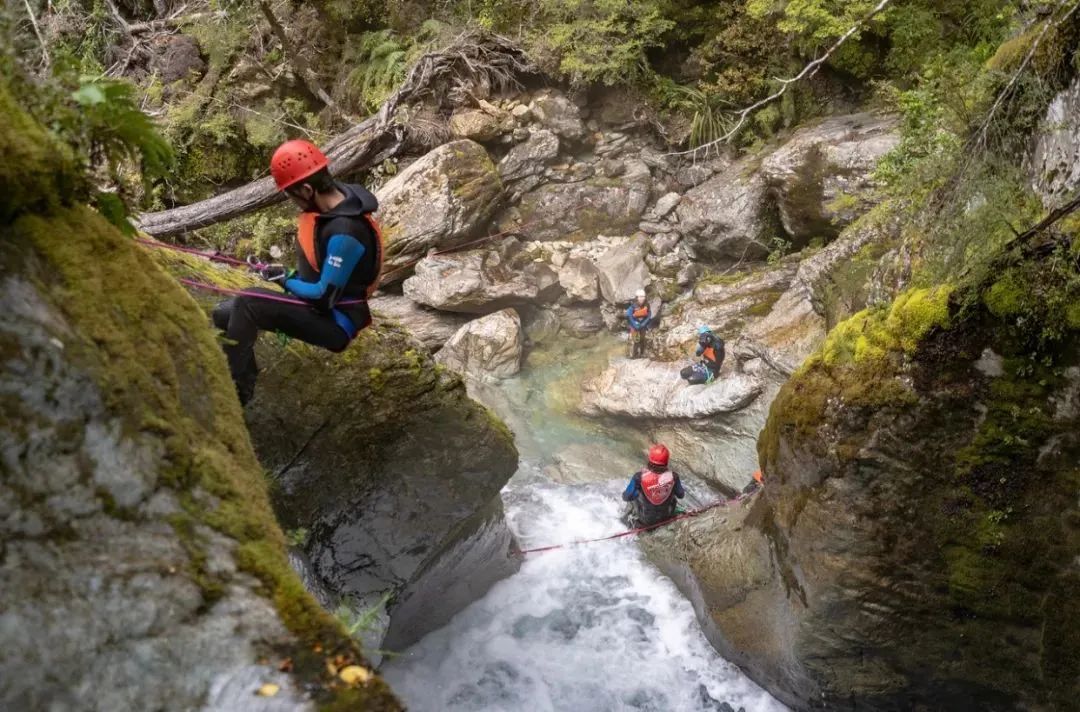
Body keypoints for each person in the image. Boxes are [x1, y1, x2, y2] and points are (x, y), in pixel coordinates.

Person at [212, 139, 383, 404]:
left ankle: (234, 394)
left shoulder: (346, 232)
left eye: (290, 196)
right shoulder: (334, 201)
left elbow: (324, 296)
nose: (291, 202)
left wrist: (286, 279)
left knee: (248, 302)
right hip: (316, 307)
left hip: (335, 323)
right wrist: (285, 275)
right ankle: (245, 371)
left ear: (306, 189)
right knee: (223, 313)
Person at [621, 444, 685, 527]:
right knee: (673, 495)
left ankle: (627, 520)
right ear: (666, 461)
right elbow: (681, 495)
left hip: (644, 520)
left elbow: (626, 497)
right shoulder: (674, 477)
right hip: (665, 518)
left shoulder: (639, 477)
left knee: (633, 496)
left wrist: (637, 493)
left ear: (650, 460)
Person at [625, 288, 652, 359]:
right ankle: (634, 355)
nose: (642, 299)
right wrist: (635, 325)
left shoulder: (647, 305)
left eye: (643, 297)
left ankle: (642, 353)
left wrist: (644, 324)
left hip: (642, 324)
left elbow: (649, 315)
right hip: (634, 325)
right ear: (637, 297)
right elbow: (629, 316)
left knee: (642, 340)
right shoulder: (633, 306)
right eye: (640, 297)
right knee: (635, 341)